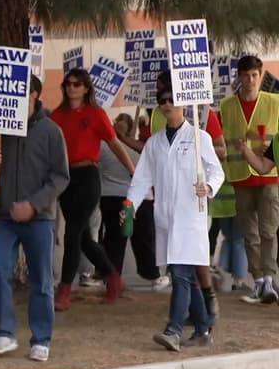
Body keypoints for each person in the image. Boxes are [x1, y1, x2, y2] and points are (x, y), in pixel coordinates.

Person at [0, 76, 70, 361]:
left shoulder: (51, 131)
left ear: (33, 94)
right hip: (4, 216)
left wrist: (34, 205)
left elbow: (60, 177)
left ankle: (41, 339)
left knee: (41, 279)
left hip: (40, 219)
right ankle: (5, 332)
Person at [132, 87, 224, 351]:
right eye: (162, 101)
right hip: (166, 219)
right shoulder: (154, 143)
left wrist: (208, 187)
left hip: (190, 218)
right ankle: (203, 330)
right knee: (187, 277)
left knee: (181, 275)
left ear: (184, 103)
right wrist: (129, 204)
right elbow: (142, 179)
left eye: (172, 99)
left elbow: (217, 172)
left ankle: (173, 330)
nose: (166, 104)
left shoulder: (199, 138)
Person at [50, 68, 136, 310]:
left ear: (86, 88)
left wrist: (132, 170)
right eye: (68, 84)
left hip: (88, 176)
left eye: (77, 84)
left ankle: (65, 289)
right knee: (83, 238)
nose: (71, 88)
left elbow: (114, 144)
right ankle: (113, 276)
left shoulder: (96, 114)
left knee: (72, 233)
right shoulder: (57, 116)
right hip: (65, 178)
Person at [220, 55, 279, 304]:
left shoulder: (275, 102)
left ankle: (269, 279)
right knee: (249, 234)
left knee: (269, 231)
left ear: (260, 74)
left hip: (270, 175)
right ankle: (259, 280)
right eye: (246, 75)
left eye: (255, 75)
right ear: (239, 76)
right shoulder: (226, 106)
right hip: (240, 177)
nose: (250, 80)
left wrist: (268, 148)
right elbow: (222, 139)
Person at [98, 114, 161, 289]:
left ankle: (112, 275)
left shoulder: (103, 146)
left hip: (112, 196)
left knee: (114, 239)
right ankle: (150, 274)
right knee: (142, 238)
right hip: (141, 198)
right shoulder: (140, 149)